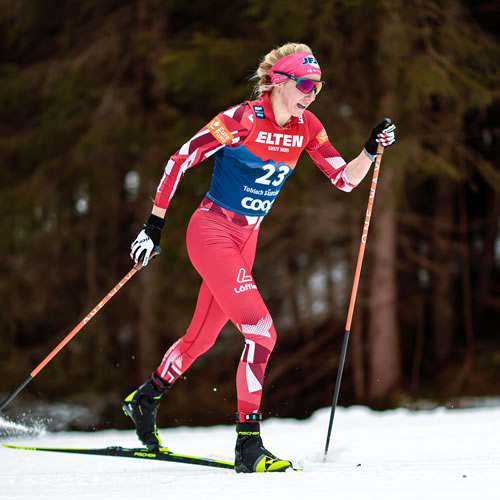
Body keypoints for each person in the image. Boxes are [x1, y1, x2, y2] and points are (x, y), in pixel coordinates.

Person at [122, 42, 396, 473]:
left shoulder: (307, 127)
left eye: (317, 87)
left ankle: (146, 398)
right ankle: (248, 445)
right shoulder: (240, 119)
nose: (311, 93)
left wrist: (369, 150)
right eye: (305, 84)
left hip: (246, 238)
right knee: (262, 333)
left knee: (202, 338)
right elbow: (179, 160)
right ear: (278, 82)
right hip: (211, 231)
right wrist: (153, 226)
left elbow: (344, 180)